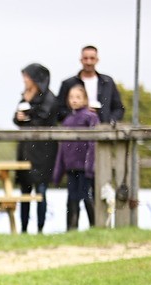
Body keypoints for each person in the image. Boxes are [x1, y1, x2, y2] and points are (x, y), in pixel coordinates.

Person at [12, 64, 57, 234]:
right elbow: (16, 119)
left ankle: (40, 228)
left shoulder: (50, 98)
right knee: (24, 190)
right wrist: (20, 116)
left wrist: (27, 115)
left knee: (41, 190)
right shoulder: (24, 97)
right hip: (25, 149)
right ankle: (23, 228)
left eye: (27, 77)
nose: (24, 80)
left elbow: (42, 119)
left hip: (43, 151)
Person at [53, 84, 100, 231]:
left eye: (78, 97)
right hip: (71, 166)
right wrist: (58, 171)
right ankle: (71, 228)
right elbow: (63, 148)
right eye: (71, 97)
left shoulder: (90, 117)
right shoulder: (67, 121)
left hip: (85, 167)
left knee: (87, 196)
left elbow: (94, 144)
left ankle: (94, 225)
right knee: (72, 198)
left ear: (85, 99)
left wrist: (91, 165)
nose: (74, 100)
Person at [55, 45, 124, 124]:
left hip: (104, 129)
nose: (89, 62)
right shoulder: (68, 83)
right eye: (85, 58)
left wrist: (110, 120)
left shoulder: (107, 82)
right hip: (76, 130)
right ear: (81, 60)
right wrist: (78, 114)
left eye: (92, 58)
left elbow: (118, 108)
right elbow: (59, 110)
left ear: (97, 60)